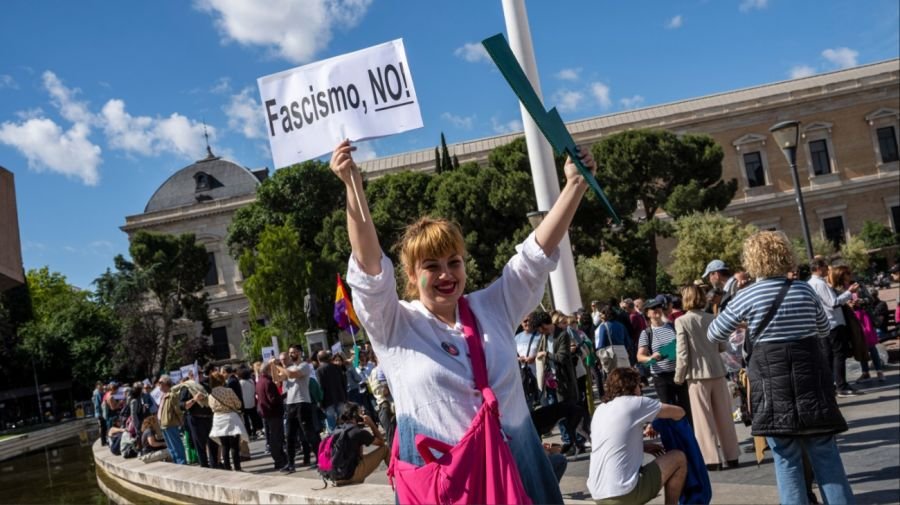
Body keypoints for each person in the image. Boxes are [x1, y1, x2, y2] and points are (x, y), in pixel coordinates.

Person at [334, 138, 597, 503]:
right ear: (411, 275)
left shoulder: (492, 306)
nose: (445, 274)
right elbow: (369, 269)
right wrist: (353, 187)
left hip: (516, 480)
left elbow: (537, 254)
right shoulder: (393, 324)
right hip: (445, 489)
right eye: (431, 266)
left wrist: (574, 185)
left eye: (453, 262)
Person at [708, 231, 852, 505]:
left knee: (786, 460)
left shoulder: (748, 295)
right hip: (812, 384)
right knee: (826, 456)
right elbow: (823, 328)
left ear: (753, 260)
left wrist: (747, 325)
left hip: (772, 389)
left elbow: (714, 333)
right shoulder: (803, 289)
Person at [587, 368, 687, 505]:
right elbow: (679, 412)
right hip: (624, 494)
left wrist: (642, 446)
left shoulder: (600, 409)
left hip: (598, 494)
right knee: (678, 458)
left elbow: (609, 444)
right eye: (639, 385)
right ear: (633, 386)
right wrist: (655, 422)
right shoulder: (636, 403)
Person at [674, 285, 739, 471]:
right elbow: (722, 346)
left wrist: (679, 376)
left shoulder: (682, 321)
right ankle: (732, 455)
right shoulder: (712, 317)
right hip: (717, 371)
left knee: (704, 419)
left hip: (696, 374)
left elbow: (682, 352)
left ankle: (712, 459)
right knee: (724, 416)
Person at [808, 257, 861, 397]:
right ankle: (841, 386)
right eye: (826, 267)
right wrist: (849, 292)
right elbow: (833, 302)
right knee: (838, 355)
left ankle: (832, 385)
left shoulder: (812, 284)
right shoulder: (819, 284)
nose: (828, 269)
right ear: (819, 268)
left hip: (825, 324)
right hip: (833, 323)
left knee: (829, 356)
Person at [637, 297, 691, 424]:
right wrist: (650, 358)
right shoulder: (646, 333)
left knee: (686, 409)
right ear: (647, 313)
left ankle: (690, 437)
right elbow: (640, 357)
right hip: (661, 377)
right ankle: (675, 440)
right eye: (653, 308)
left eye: (659, 307)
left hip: (679, 373)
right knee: (668, 411)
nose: (657, 310)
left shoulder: (673, 326)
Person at [277, 346, 320, 472]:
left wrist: (278, 365)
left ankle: (319, 459)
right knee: (289, 435)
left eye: (294, 352)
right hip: (290, 404)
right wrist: (273, 367)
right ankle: (290, 464)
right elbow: (277, 379)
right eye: (290, 353)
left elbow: (292, 374)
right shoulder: (287, 368)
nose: (291, 355)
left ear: (300, 353)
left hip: (302, 402)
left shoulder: (304, 366)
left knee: (309, 433)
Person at [332, 402, 389, 486]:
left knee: (358, 461)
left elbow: (359, 455)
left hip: (335, 476)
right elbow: (381, 442)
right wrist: (371, 423)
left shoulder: (337, 430)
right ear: (356, 415)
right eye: (360, 413)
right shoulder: (358, 432)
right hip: (350, 476)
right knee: (386, 449)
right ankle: (399, 480)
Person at [208, 371, 249, 471]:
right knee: (234, 445)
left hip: (218, 419)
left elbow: (211, 407)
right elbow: (238, 404)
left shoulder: (210, 395)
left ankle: (227, 468)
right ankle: (237, 467)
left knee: (224, 445)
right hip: (231, 418)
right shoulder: (229, 391)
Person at [256, 359, 287, 471]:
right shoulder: (268, 382)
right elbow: (273, 399)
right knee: (276, 437)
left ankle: (281, 458)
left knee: (275, 437)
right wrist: (283, 396)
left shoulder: (260, 381)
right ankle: (279, 460)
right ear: (268, 370)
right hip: (273, 413)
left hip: (268, 413)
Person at [156, 375, 187, 465]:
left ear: (166, 384)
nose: (159, 385)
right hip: (163, 425)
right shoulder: (163, 395)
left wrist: (181, 421)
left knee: (176, 445)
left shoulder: (172, 395)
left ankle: (182, 463)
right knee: (170, 447)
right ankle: (176, 462)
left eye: (160, 383)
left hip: (170, 424)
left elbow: (178, 410)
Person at [316, 350, 348, 433]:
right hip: (340, 397)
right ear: (329, 358)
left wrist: (320, 402)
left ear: (318, 360)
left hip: (327, 400)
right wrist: (345, 396)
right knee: (343, 421)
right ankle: (346, 438)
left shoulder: (319, 370)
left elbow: (320, 387)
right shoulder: (337, 367)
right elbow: (344, 382)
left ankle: (335, 441)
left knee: (331, 424)